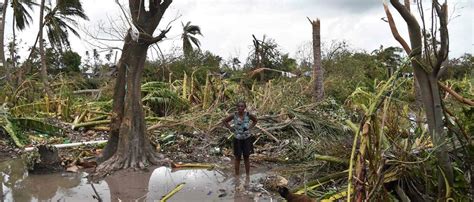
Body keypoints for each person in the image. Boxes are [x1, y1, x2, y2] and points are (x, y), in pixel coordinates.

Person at [222, 101, 257, 176]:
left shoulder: (248, 115)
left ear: (245, 107)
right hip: (237, 139)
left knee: (246, 157)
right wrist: (230, 128)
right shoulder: (234, 115)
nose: (240, 108)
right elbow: (224, 121)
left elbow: (255, 120)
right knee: (237, 158)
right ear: (236, 107)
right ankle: (237, 176)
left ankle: (248, 176)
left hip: (247, 138)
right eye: (239, 106)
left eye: (242, 106)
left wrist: (250, 128)